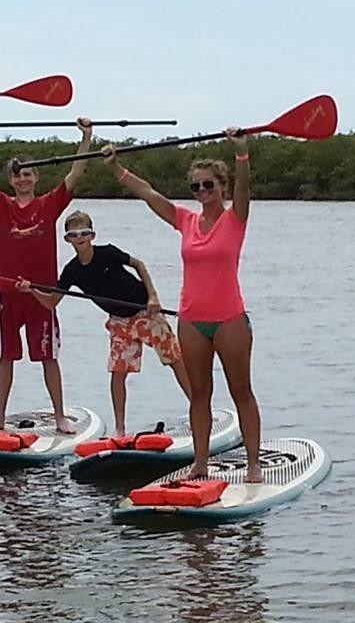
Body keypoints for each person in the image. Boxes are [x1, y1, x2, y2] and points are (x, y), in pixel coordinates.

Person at [103, 129, 263, 482]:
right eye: (196, 187)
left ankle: (253, 465)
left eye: (209, 185)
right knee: (199, 394)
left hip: (229, 320)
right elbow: (148, 194)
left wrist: (241, 154)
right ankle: (201, 463)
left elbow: (244, 190)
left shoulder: (234, 219)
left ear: (221, 186)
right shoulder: (187, 221)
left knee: (241, 391)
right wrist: (116, 168)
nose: (202, 192)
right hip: (191, 321)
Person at [0, 117, 93, 434]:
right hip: (8, 294)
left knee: (49, 356)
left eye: (28, 175)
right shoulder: (1, 205)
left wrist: (86, 138)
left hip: (42, 295)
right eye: (17, 175)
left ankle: (60, 415)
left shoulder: (48, 205)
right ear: (11, 179)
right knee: (5, 357)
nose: (22, 180)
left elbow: (74, 175)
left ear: (36, 178)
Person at [15, 209, 192, 437]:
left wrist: (153, 297)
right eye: (74, 234)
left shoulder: (108, 253)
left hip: (145, 313)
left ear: (92, 235)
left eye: (84, 233)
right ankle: (120, 429)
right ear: (67, 239)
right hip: (119, 322)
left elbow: (138, 264)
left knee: (174, 359)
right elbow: (51, 303)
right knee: (118, 373)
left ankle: (197, 408)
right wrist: (31, 290)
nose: (80, 238)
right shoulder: (72, 271)